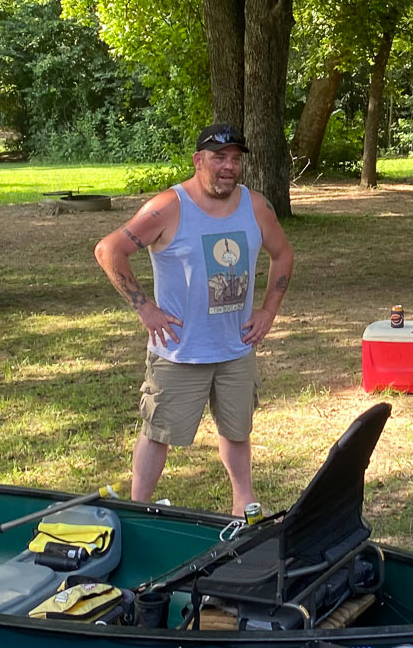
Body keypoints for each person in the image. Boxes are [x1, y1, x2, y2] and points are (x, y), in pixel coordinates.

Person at [94, 123, 295, 514]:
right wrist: (145, 307)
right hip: (179, 350)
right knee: (158, 432)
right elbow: (109, 250)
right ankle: (138, 509)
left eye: (235, 159)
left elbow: (283, 254)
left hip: (236, 347)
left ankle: (244, 507)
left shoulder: (256, 206)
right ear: (198, 160)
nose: (229, 167)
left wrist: (269, 310)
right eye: (219, 158)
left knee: (237, 430)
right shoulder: (169, 207)